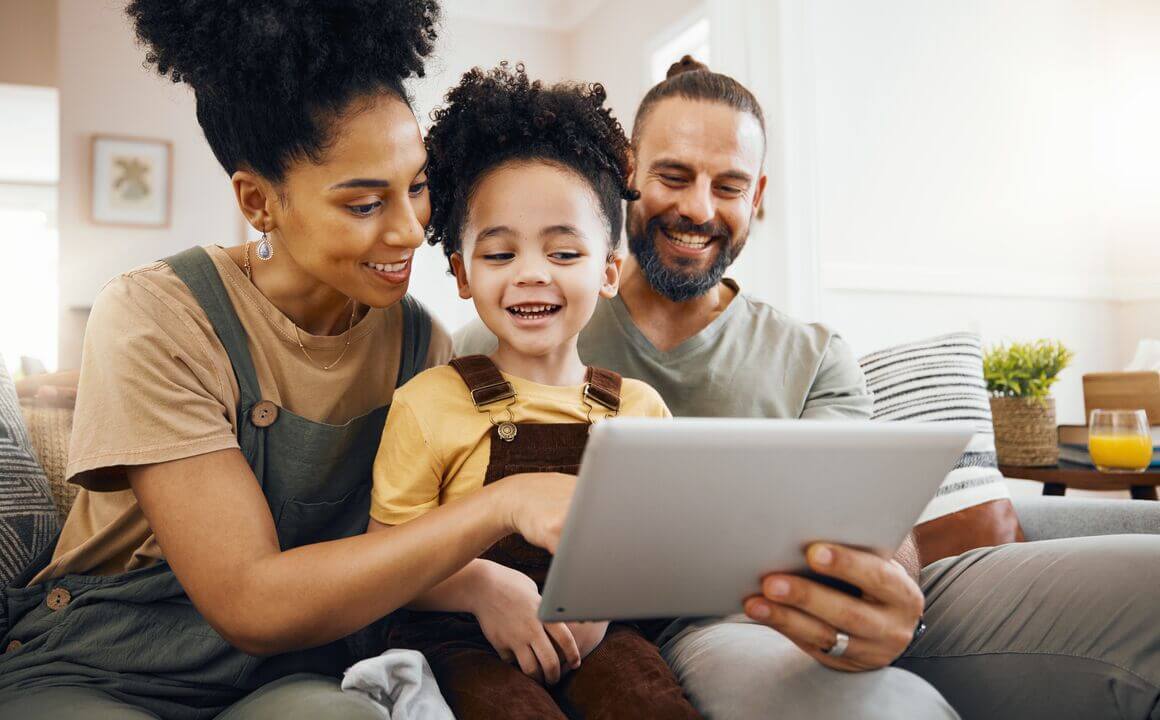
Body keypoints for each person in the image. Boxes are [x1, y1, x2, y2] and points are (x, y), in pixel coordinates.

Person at [456, 58, 1160, 720]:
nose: (698, 208)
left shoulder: (815, 355)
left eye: (729, 186)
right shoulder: (525, 326)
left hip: (796, 607)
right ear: (628, 173)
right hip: (688, 634)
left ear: (757, 197)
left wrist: (886, 584)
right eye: (674, 176)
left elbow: (870, 521)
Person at [0, 3, 576, 718]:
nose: (409, 230)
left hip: (292, 672)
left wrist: (481, 581)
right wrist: (502, 507)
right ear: (258, 202)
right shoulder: (155, 314)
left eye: (417, 186)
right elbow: (250, 602)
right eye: (364, 205)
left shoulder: (420, 343)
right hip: (106, 662)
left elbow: (406, 543)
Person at [368, 63, 700, 720]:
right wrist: (481, 587)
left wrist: (606, 602)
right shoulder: (429, 402)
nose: (530, 275)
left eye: (563, 253)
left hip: (600, 636)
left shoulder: (640, 410)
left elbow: (664, 550)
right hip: (463, 637)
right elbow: (385, 560)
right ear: (462, 272)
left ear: (609, 270)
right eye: (499, 254)